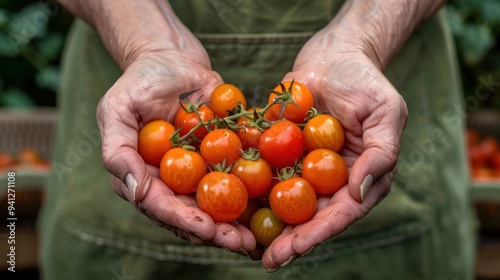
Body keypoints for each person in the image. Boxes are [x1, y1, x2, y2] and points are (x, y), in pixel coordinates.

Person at [38, 0, 477, 279]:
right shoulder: (222, 138)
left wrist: (363, 39)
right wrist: (147, 43)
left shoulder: (232, 143)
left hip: (390, 69)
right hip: (126, 69)